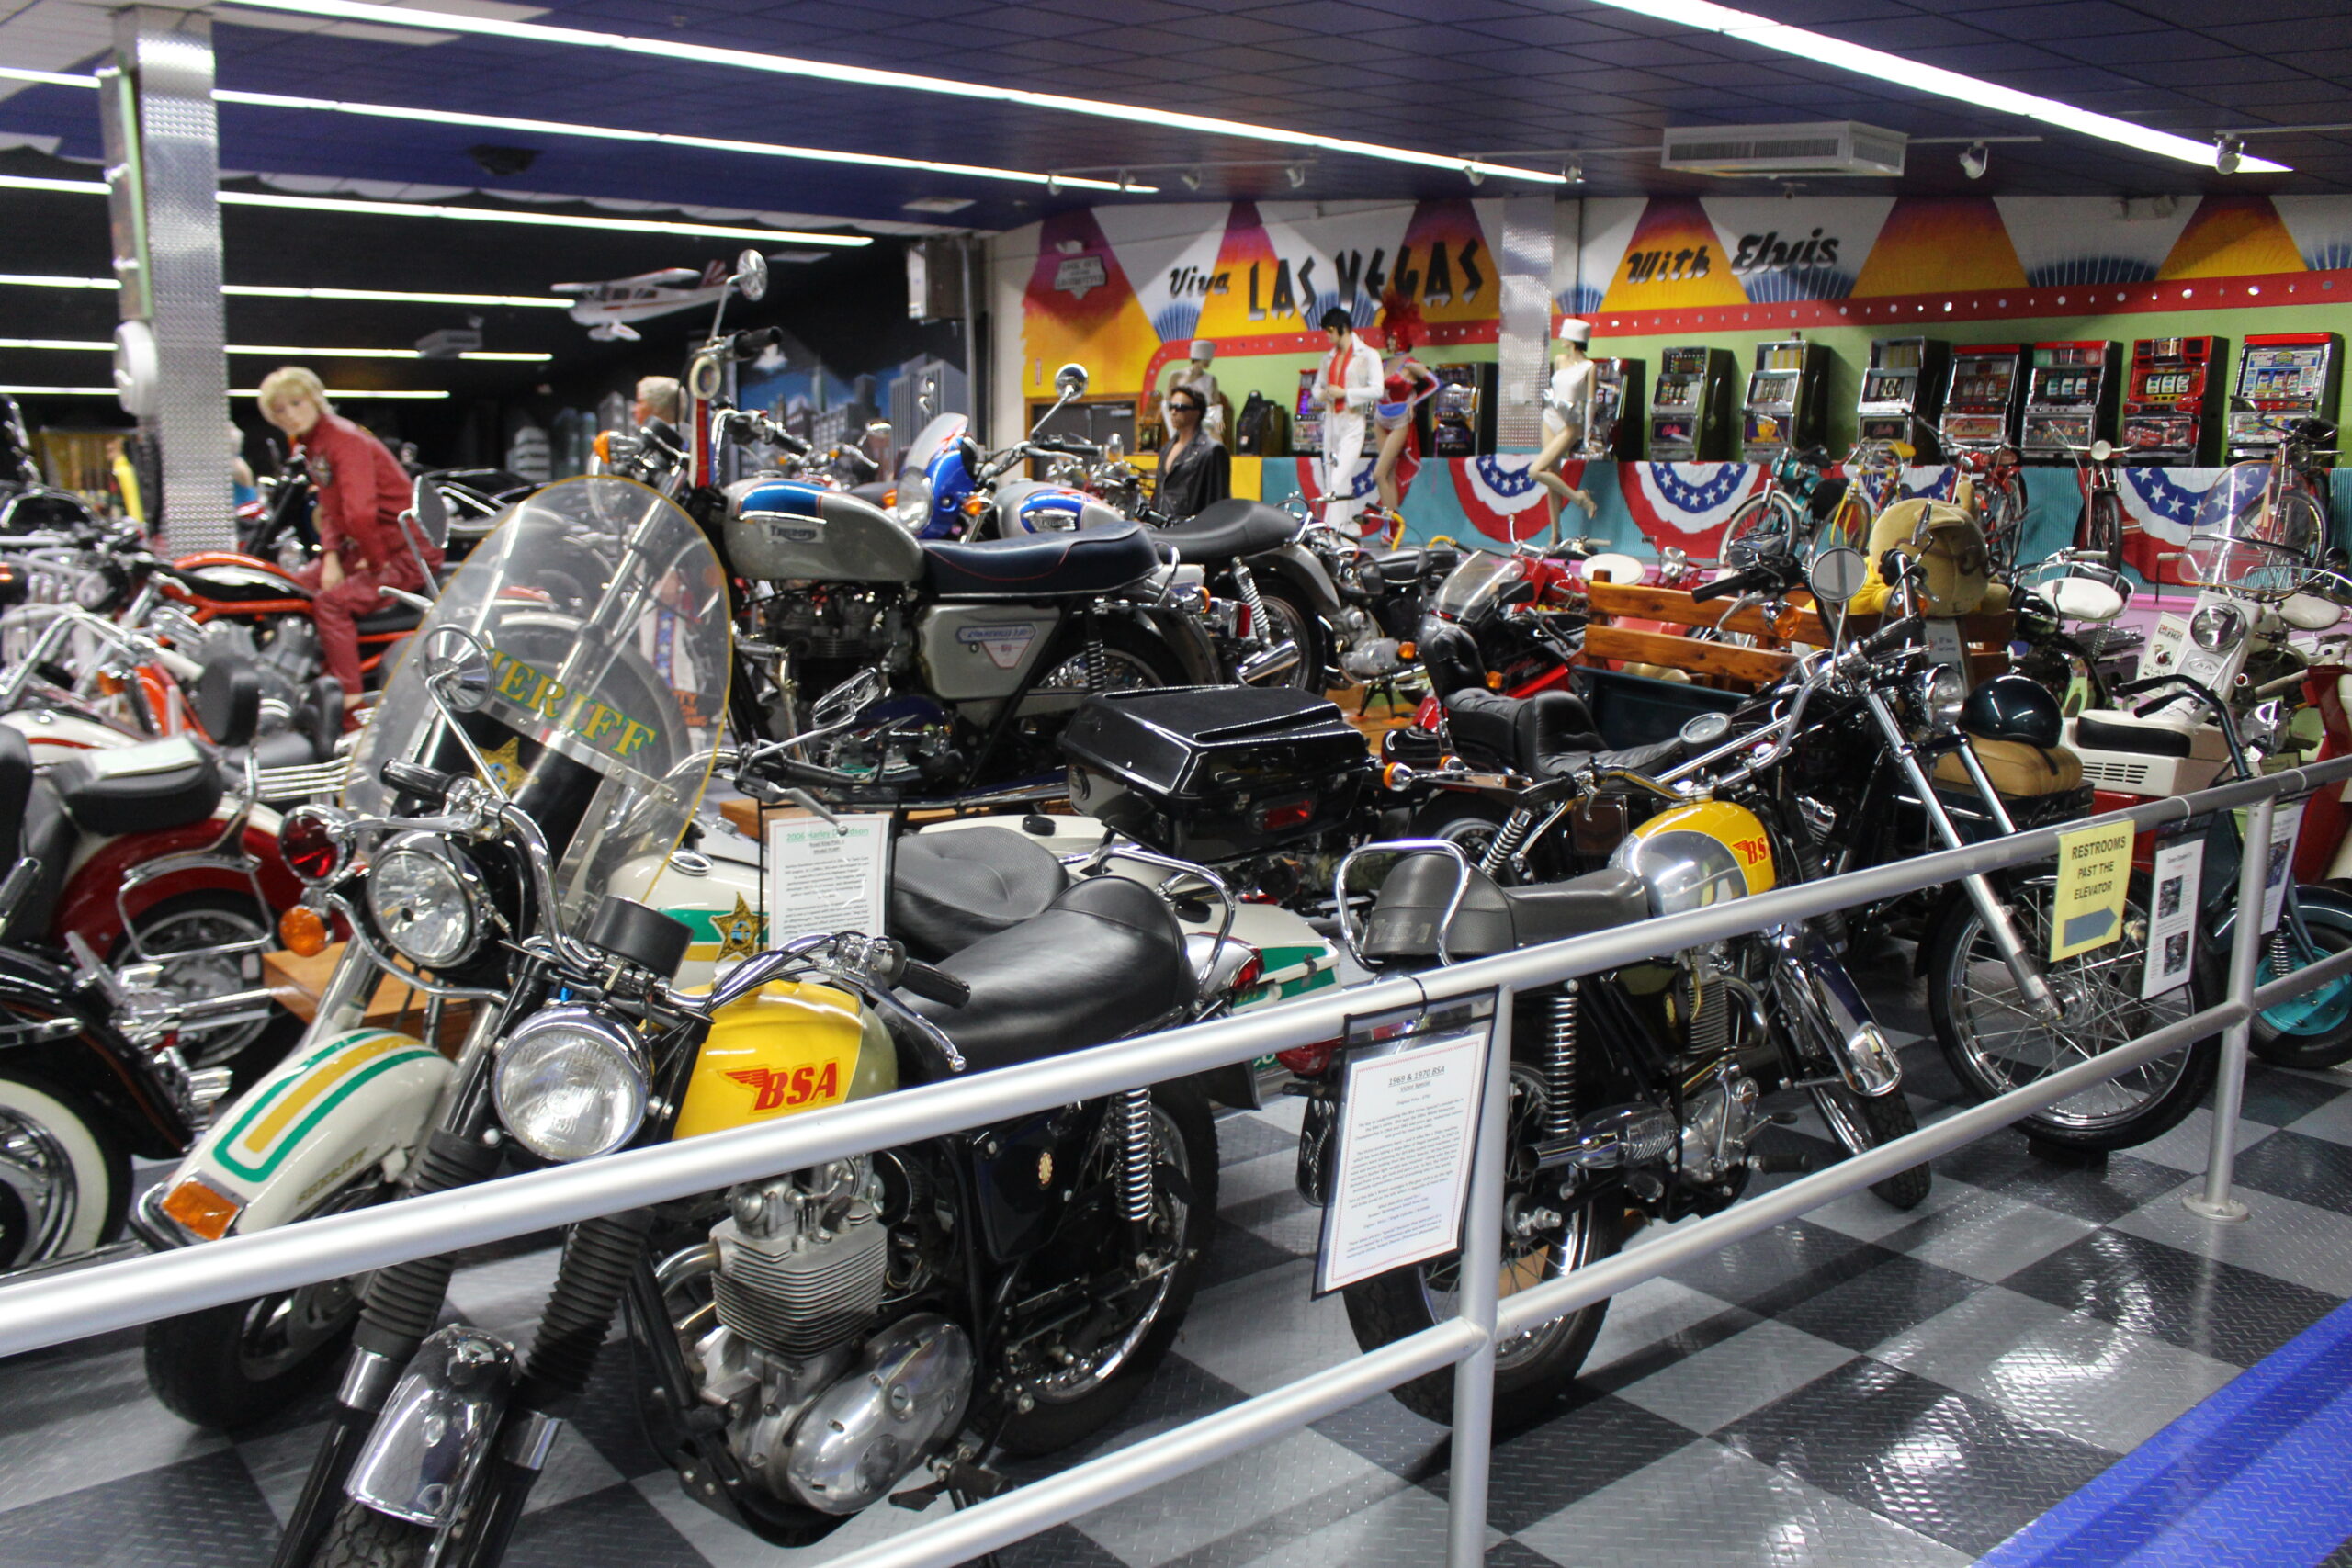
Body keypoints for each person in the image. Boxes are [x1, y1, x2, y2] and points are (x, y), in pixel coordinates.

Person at [256, 367, 442, 700]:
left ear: (314, 399)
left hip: (405, 551)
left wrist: (372, 564)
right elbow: (330, 506)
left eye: (296, 403)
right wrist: (330, 557)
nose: (290, 415)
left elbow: (360, 512)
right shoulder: (316, 445)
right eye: (280, 410)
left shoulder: (344, 440)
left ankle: (348, 699)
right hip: (372, 546)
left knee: (331, 604)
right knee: (291, 586)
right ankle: (297, 672)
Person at [1368, 292, 1441, 537]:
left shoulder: (1410, 363)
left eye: (1394, 337)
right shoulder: (1384, 362)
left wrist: (1415, 403)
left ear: (1403, 336)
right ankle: (1391, 526)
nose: (1389, 341)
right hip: (1380, 417)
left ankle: (1394, 523)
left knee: (1379, 472)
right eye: (1387, 336)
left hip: (1400, 419)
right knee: (1386, 474)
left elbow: (1435, 383)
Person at [1312, 305, 1380, 529]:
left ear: (1342, 328)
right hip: (1331, 420)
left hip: (1352, 420)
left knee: (1338, 478)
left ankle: (1330, 529)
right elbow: (1316, 388)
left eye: (1330, 331)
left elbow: (1377, 390)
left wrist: (1347, 394)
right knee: (1333, 477)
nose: (1328, 336)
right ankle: (1347, 529)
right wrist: (1322, 394)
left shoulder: (1368, 355)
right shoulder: (1327, 359)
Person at [1533, 318, 1600, 543]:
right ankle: (1555, 535)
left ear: (1572, 340)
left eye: (1563, 335)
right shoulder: (1560, 360)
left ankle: (1580, 499)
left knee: (1535, 471)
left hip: (1570, 424)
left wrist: (1588, 433)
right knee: (1551, 476)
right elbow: (1554, 389)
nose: (1560, 339)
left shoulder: (1589, 367)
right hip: (1550, 417)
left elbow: (1591, 402)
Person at [1154, 385, 1229, 521]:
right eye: (1171, 407)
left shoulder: (1212, 451)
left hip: (1192, 531)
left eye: (1180, 408)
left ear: (1197, 412)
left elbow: (1218, 501)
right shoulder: (1166, 449)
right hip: (1163, 530)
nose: (1174, 412)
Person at [1159, 341, 1222, 443]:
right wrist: (1174, 417)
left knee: (1213, 436)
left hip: (1202, 416)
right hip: (1180, 414)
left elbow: (1215, 403)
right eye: (1206, 358)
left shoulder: (1211, 379)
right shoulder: (1176, 375)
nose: (1209, 361)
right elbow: (1167, 401)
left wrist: (1218, 417)